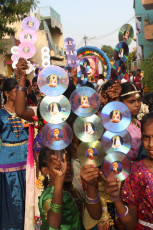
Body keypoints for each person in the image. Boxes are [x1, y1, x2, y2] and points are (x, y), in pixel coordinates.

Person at [103, 111, 153, 230]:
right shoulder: (137, 172)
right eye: (146, 137)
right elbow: (130, 225)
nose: (151, 144)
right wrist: (115, 197)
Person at [38, 147, 102, 230]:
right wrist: (59, 178)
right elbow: (54, 224)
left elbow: (96, 215)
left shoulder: (69, 189)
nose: (67, 167)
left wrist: (90, 184)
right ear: (45, 171)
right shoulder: (49, 195)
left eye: (68, 161)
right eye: (59, 164)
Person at [0, 78, 29, 230]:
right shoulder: (0, 113)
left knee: (28, 195)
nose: (19, 94)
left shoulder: (26, 111)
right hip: (8, 160)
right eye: (15, 91)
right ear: (6, 93)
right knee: (13, 197)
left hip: (27, 158)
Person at [120, 82, 142, 162]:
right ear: (120, 102)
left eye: (139, 100)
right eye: (131, 101)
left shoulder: (138, 123)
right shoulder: (118, 124)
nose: (137, 105)